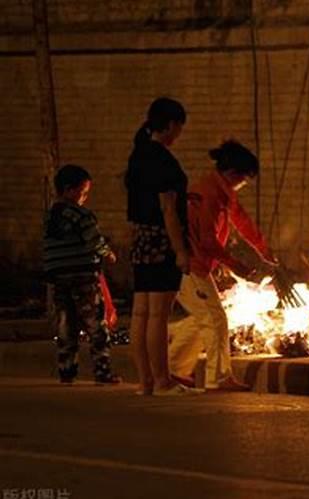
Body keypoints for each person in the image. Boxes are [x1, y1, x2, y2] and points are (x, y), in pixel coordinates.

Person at [169, 140, 277, 391]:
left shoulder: (219, 190)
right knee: (215, 318)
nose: (243, 185)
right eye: (244, 180)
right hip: (190, 265)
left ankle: (173, 369)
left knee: (202, 317)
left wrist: (263, 249)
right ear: (232, 173)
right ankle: (218, 378)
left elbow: (241, 219)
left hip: (195, 264)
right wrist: (233, 264)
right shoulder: (210, 194)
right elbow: (207, 238)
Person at [125, 97, 199, 396]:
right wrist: (180, 250)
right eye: (179, 127)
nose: (178, 134)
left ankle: (146, 382)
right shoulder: (163, 160)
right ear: (170, 125)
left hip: (142, 238)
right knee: (158, 314)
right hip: (162, 240)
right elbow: (168, 209)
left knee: (141, 312)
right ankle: (163, 380)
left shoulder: (138, 155)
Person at [43, 164, 121, 384]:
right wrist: (108, 253)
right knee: (96, 324)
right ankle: (102, 371)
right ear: (69, 190)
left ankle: (67, 370)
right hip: (83, 277)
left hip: (59, 278)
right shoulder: (81, 215)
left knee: (66, 324)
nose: (84, 198)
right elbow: (94, 240)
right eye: (83, 192)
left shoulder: (50, 217)